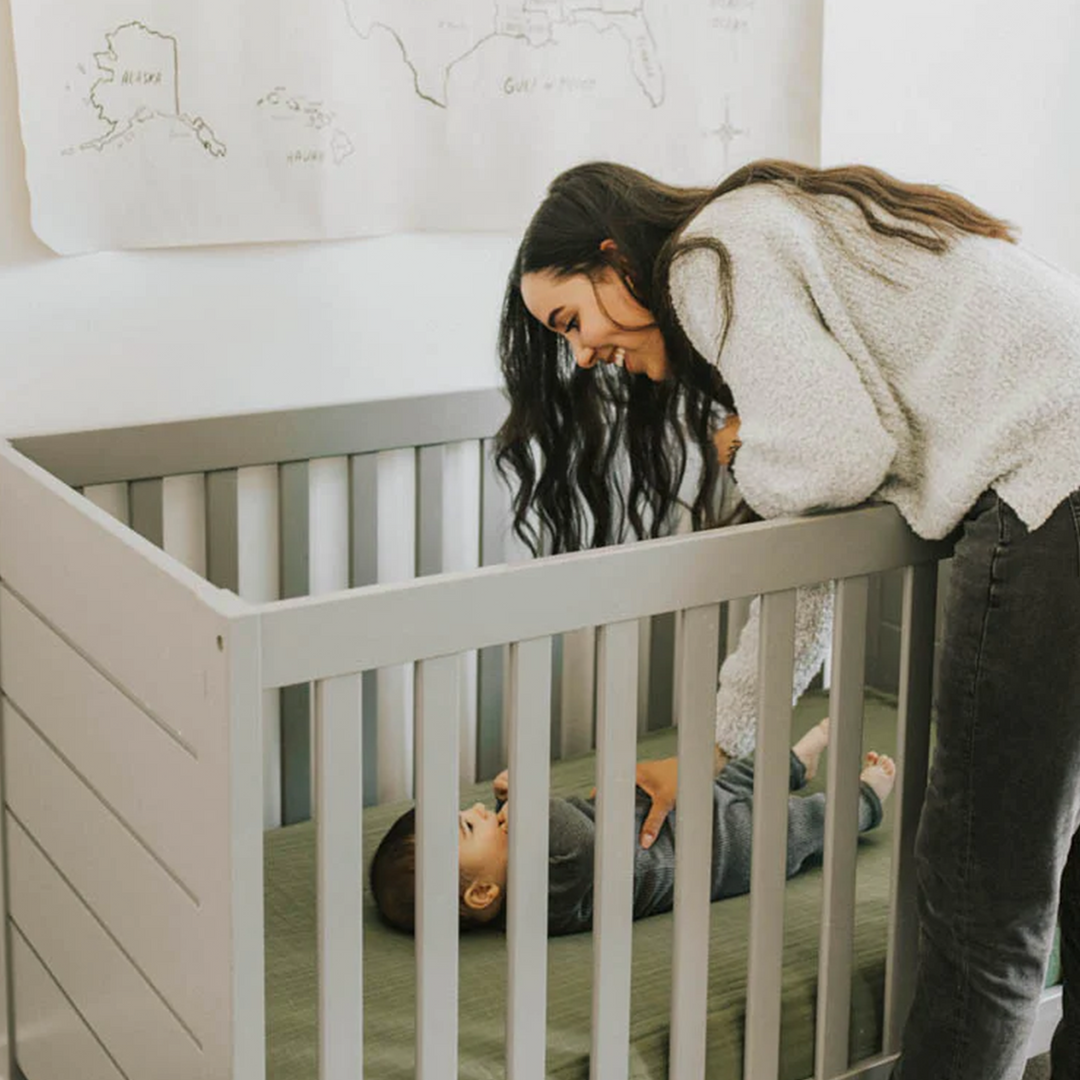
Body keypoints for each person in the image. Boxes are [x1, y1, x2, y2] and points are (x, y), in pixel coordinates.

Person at [494, 159, 1080, 1078]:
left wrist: (742, 456)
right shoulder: (771, 233)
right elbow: (809, 557)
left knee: (984, 892)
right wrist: (716, 746)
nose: (582, 355)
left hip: (1052, 483)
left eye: (571, 320)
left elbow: (835, 460)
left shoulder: (709, 258)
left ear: (615, 261)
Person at [370, 720, 895, 936]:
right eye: (469, 826)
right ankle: (865, 801)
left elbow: (544, 833)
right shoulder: (538, 905)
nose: (479, 810)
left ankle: (795, 761)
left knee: (733, 779)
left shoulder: (513, 860)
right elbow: (582, 846)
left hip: (667, 815)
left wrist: (509, 806)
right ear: (483, 892)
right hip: (715, 853)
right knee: (788, 828)